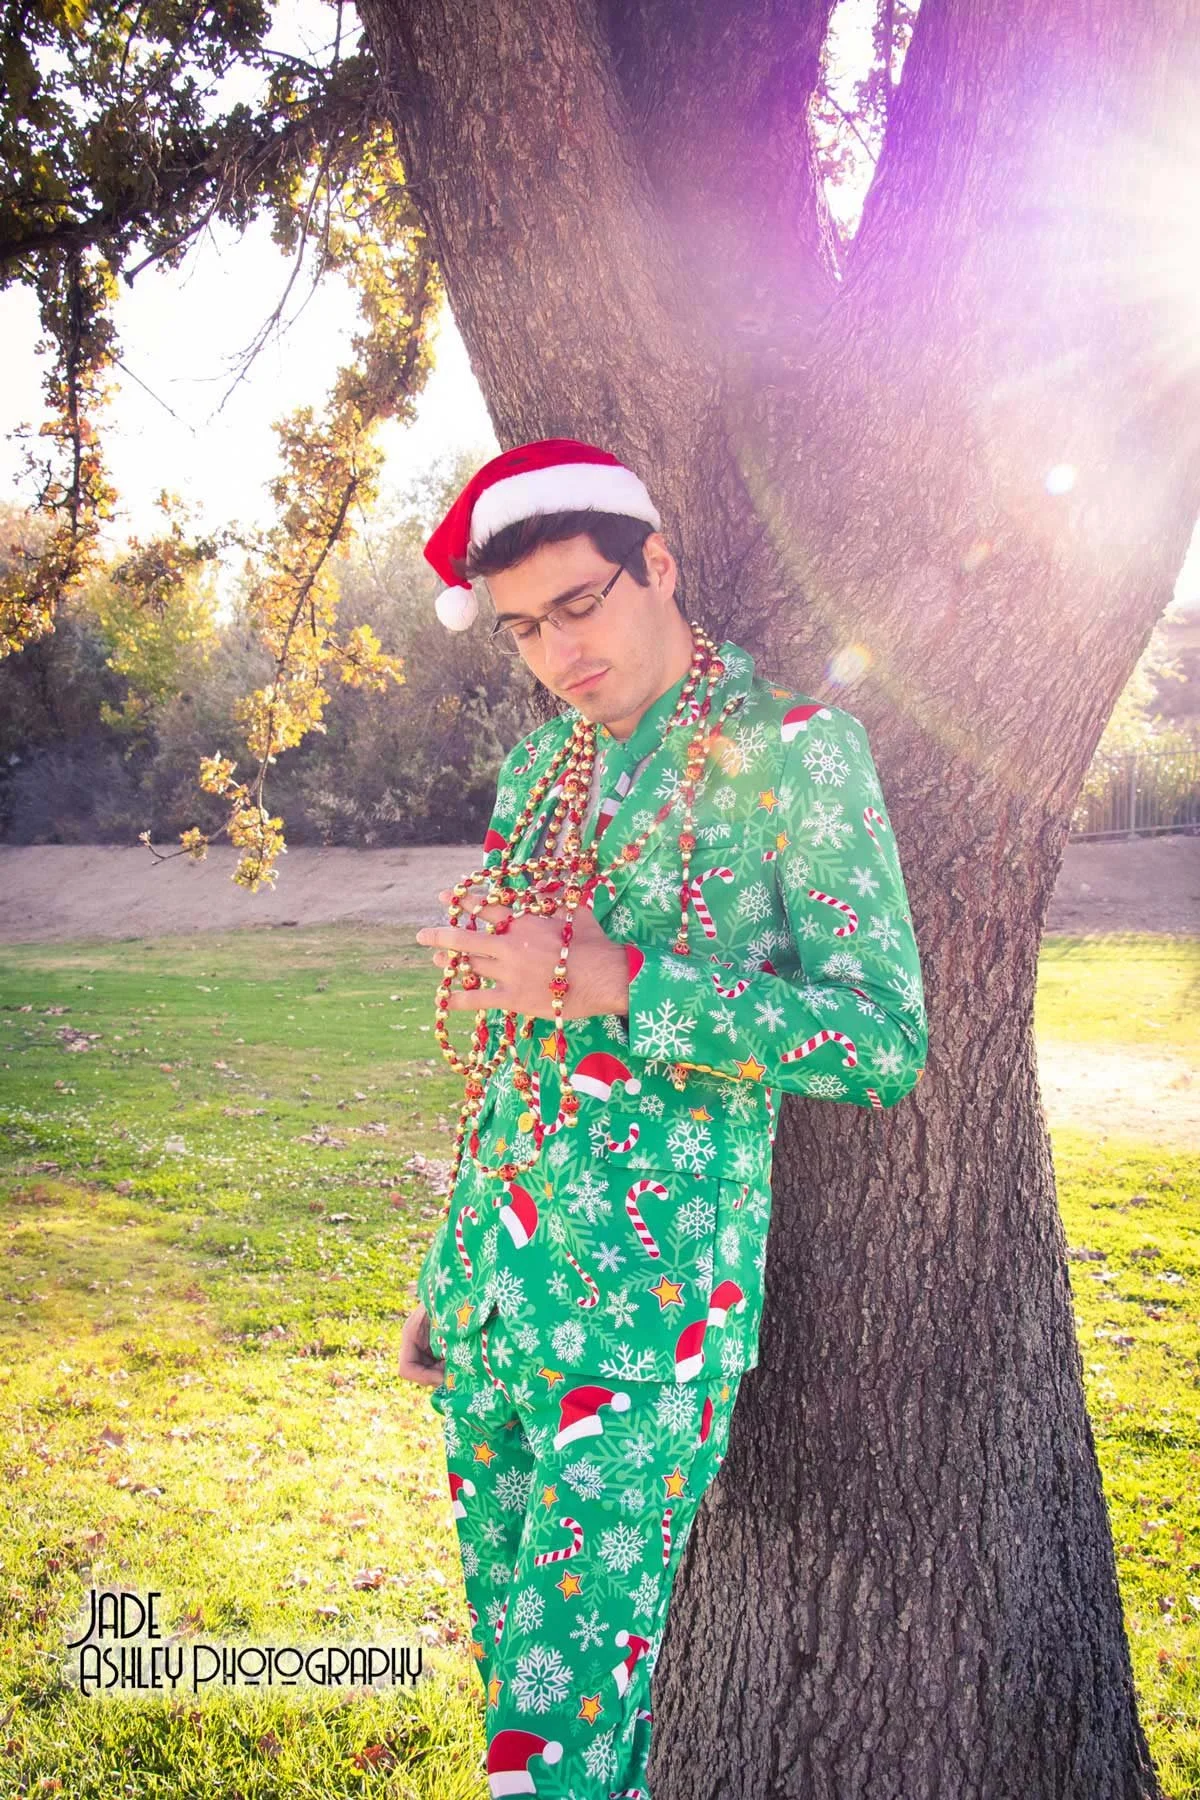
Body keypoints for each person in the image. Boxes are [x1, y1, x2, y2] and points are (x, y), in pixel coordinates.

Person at [399, 437, 927, 1799]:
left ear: (660, 566)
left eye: (580, 604)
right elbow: (512, 1035)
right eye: (524, 628)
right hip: (495, 1297)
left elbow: (882, 1037)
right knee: (524, 1716)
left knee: (549, 1759)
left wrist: (625, 982)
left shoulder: (796, 751)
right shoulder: (541, 771)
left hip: (644, 1322)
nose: (559, 652)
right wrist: (449, 1260)